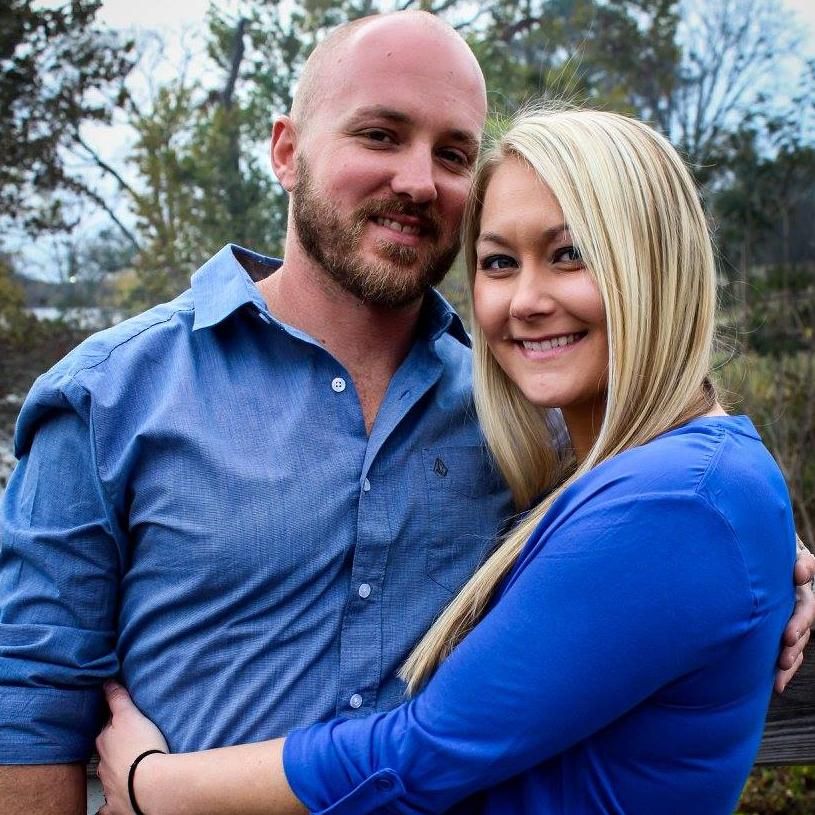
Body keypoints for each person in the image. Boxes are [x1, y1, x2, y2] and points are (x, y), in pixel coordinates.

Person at [0, 11, 812, 813]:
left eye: (453, 153)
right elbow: (29, 697)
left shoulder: (528, 411)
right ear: (286, 151)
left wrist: (772, 552)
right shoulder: (111, 393)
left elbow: (664, 494)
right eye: (379, 135)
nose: (419, 181)